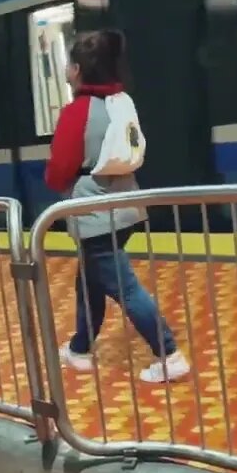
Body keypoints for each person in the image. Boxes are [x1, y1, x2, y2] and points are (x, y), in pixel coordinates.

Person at [44, 30, 189, 383]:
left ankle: (169, 354)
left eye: (68, 64)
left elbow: (60, 168)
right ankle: (79, 348)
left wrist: (58, 183)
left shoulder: (77, 112)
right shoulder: (121, 102)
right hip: (125, 206)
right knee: (89, 282)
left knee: (124, 288)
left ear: (77, 69)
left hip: (95, 215)